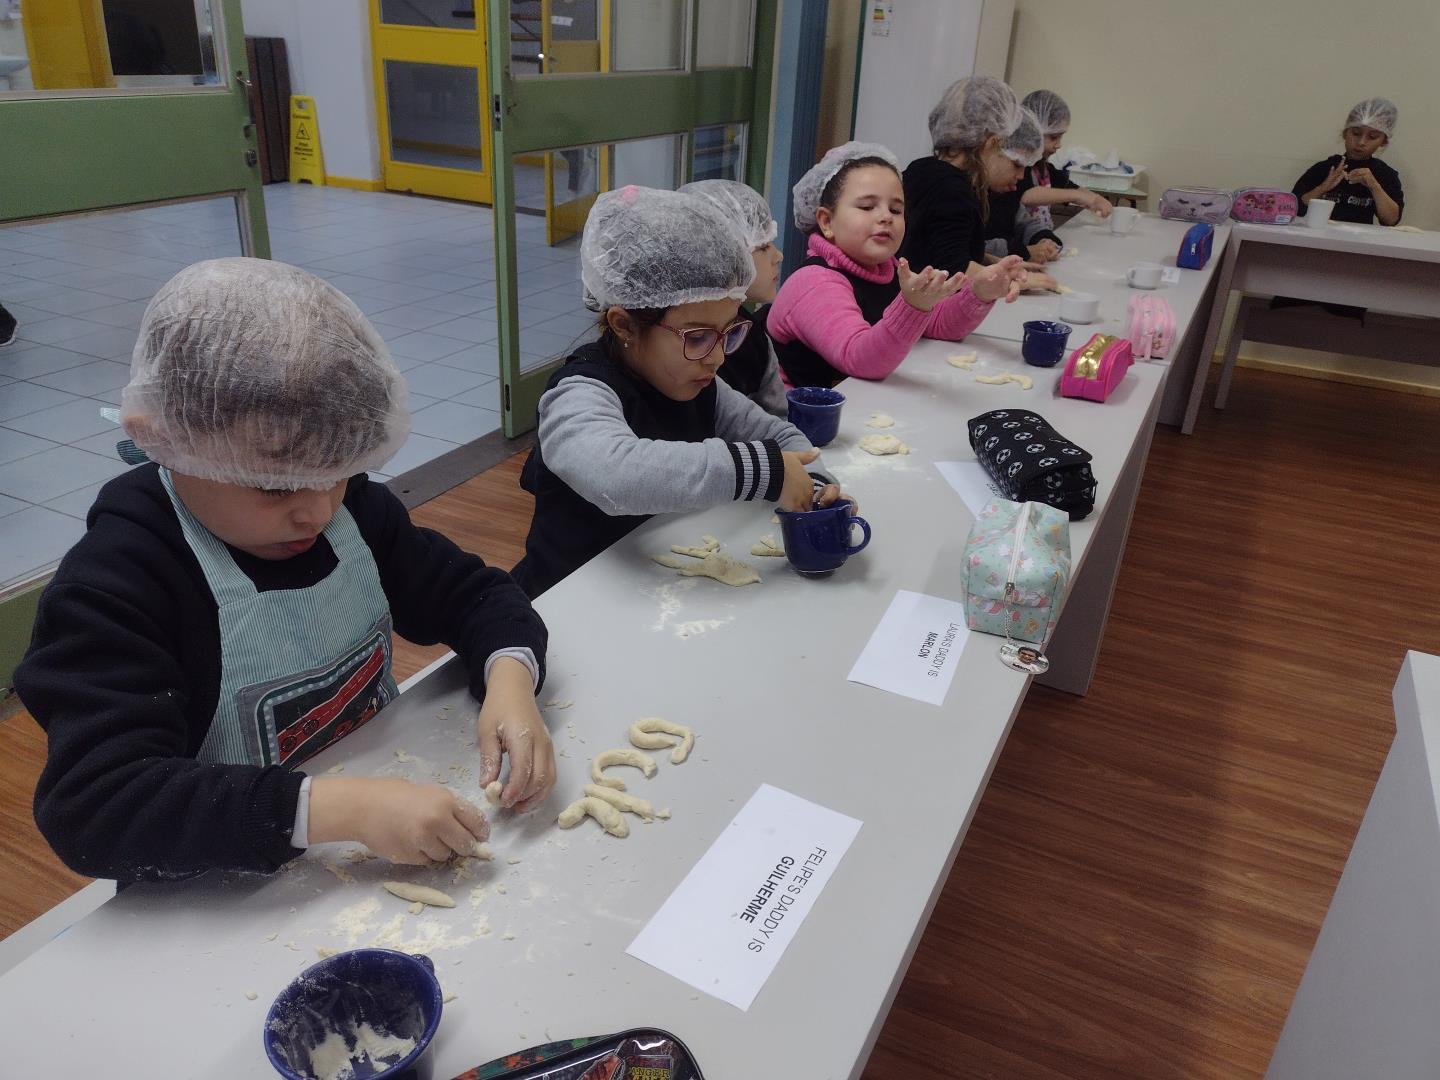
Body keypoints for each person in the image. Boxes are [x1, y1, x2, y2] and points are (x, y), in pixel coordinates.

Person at [15, 258, 554, 883]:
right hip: (218, 885)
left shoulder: (354, 515)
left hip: (365, 843)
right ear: (163, 438)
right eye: (274, 487)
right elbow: (96, 807)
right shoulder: (117, 584)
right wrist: (341, 807)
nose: (316, 512)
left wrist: (510, 683)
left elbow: (477, 595)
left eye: (339, 472)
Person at [510, 186, 851, 599]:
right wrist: (763, 472)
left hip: (649, 587)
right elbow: (617, 476)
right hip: (565, 599)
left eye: (730, 332)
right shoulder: (579, 393)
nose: (718, 357)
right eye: (698, 336)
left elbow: (777, 435)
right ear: (624, 325)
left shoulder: (701, 384)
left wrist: (814, 485)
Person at [768, 140, 1026, 390]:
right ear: (826, 222)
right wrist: (912, 306)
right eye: (867, 206)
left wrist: (979, 293)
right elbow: (859, 358)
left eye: (895, 210)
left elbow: (935, 324)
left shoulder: (885, 269)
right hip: (804, 424)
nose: (885, 217)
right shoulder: (815, 283)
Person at [897, 76, 1030, 278]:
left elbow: (931, 247)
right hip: (926, 304)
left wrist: (992, 262)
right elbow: (951, 268)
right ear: (991, 142)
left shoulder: (921, 168)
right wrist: (1017, 280)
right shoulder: (953, 190)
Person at [679, 178, 788, 416]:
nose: (778, 256)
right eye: (763, 246)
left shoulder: (753, 337)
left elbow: (778, 418)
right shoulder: (678, 351)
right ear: (722, 254)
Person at [988, 89, 1113, 264]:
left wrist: (1092, 197)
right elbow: (1026, 195)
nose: (1059, 145)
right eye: (1054, 137)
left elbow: (1023, 220)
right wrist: (1079, 196)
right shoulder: (995, 185)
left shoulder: (1042, 167)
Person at [1291, 97, 1403, 226]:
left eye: (1372, 137)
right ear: (1345, 133)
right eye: (1356, 133)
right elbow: (1292, 208)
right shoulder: (1324, 168)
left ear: (1383, 142)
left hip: (1359, 242)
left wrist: (1374, 185)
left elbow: (1391, 220)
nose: (1361, 142)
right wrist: (1322, 188)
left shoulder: (1385, 174)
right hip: (1319, 237)